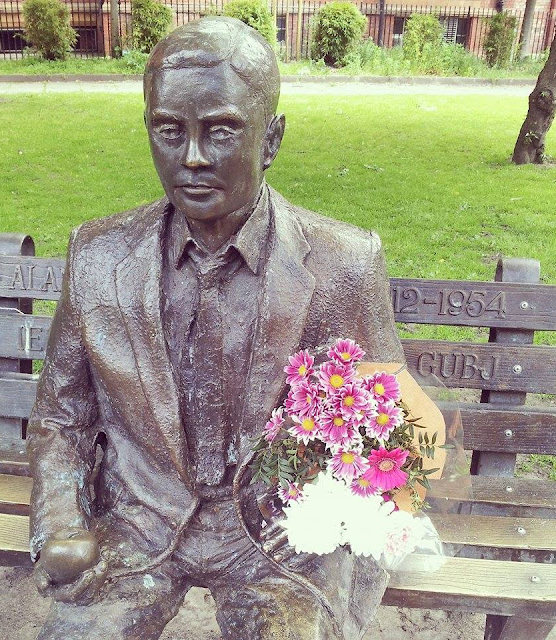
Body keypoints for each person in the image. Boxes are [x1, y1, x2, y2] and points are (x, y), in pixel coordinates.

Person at [28, 16, 405, 640]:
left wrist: (340, 526)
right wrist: (62, 523)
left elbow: (387, 433)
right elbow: (59, 419)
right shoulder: (98, 255)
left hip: (279, 543)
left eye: (222, 131)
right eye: (169, 131)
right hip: (139, 526)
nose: (193, 158)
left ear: (271, 139)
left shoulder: (344, 264)